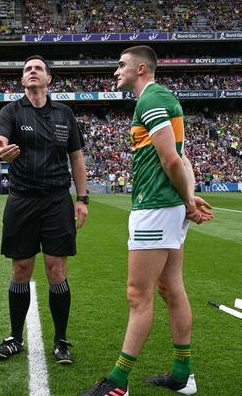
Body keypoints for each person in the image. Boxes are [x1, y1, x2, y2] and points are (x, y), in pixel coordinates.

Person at [79, 45, 213, 396]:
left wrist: (187, 201)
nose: (115, 71)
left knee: (138, 295)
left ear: (141, 69)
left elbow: (171, 160)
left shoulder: (150, 100)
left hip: (155, 207)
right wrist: (187, 199)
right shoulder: (162, 99)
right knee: (171, 287)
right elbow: (184, 160)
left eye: (121, 65)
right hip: (166, 207)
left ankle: (117, 383)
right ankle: (183, 374)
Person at [0, 55, 89, 365]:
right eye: (27, 69)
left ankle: (61, 341)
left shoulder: (64, 114)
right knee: (21, 269)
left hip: (57, 200)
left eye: (38, 69)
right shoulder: (11, 111)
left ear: (49, 79)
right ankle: (15, 338)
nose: (32, 72)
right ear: (22, 80)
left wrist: (83, 199)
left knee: (56, 270)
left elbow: (76, 158)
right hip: (22, 199)